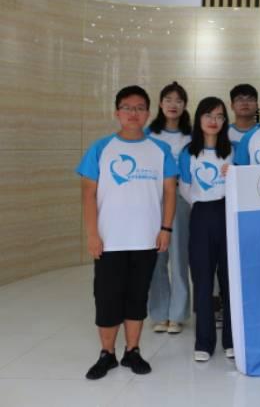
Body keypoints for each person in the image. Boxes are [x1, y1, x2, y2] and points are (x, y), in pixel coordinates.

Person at [77, 85, 177, 380]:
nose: (134, 113)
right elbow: (88, 195)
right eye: (127, 108)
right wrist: (92, 235)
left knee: (137, 296)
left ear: (148, 113)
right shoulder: (101, 148)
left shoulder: (160, 150)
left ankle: (132, 350)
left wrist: (166, 228)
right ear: (117, 112)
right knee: (107, 298)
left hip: (146, 239)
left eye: (140, 108)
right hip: (109, 240)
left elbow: (170, 192)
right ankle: (106, 354)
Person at [179, 97, 235, 362]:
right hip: (201, 214)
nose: (214, 121)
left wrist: (233, 173)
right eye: (208, 115)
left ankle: (232, 340)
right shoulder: (188, 152)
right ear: (199, 118)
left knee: (229, 279)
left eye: (219, 116)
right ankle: (204, 342)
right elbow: (185, 188)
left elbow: (246, 180)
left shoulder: (234, 150)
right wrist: (204, 203)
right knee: (202, 280)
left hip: (229, 214)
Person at [146, 82, 192, 335]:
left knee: (179, 256)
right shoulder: (149, 135)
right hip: (154, 200)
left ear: (185, 105)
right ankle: (159, 312)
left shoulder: (191, 136)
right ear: (160, 104)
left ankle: (178, 314)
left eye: (178, 100)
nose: (173, 105)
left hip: (181, 199)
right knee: (156, 257)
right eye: (168, 100)